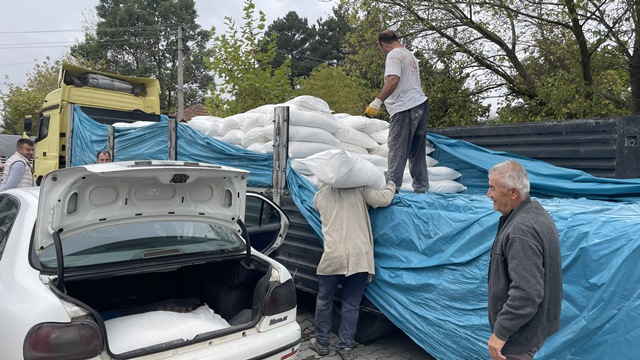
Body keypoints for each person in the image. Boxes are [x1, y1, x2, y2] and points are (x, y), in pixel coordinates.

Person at [309, 181, 396, 360]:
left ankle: (322, 343)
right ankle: (346, 347)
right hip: (359, 257)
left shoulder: (319, 197)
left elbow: (320, 209)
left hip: (333, 257)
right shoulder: (359, 189)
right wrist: (391, 185)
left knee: (324, 300)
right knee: (351, 304)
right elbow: (384, 200)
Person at [486, 160, 562, 360]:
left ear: (513, 193)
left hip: (518, 337)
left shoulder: (521, 230)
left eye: (493, 188)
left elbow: (527, 292)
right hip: (530, 329)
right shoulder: (535, 213)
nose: (489, 194)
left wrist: (501, 332)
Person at [365, 29, 429, 194]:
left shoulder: (393, 55)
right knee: (417, 150)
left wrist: (378, 101)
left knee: (397, 148)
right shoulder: (410, 55)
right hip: (420, 104)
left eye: (381, 49)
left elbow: (394, 79)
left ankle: (392, 188)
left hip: (404, 107)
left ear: (384, 45)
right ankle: (421, 189)